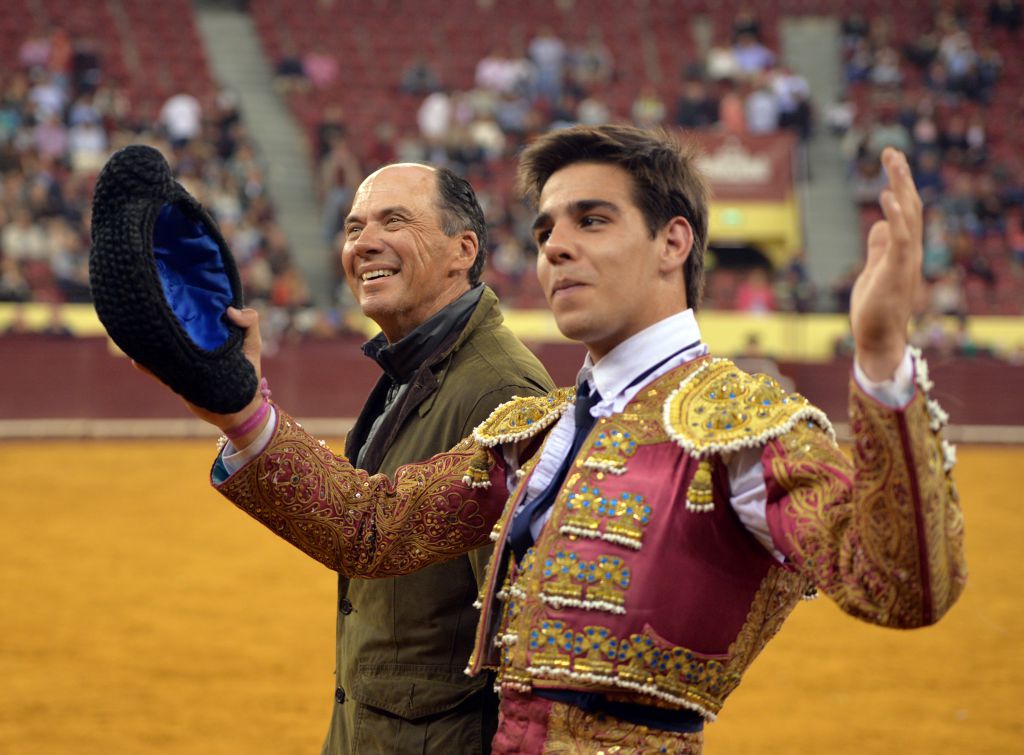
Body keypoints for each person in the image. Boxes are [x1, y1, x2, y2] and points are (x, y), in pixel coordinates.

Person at [172, 126, 965, 752]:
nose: (554, 246)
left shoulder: (741, 428)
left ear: (673, 242)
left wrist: (882, 360)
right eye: (546, 227)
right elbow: (371, 526)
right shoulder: (540, 429)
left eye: (593, 220)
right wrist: (240, 408)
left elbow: (899, 585)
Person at [324, 163, 552, 752]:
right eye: (354, 227)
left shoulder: (500, 390)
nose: (363, 242)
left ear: (463, 251)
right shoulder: (413, 363)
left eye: (394, 221)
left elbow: (521, 644)